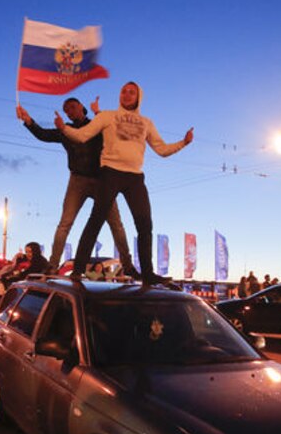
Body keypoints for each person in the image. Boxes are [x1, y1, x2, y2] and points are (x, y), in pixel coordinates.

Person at [55, 81, 193, 285]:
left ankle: (148, 272)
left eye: (131, 92)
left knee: (145, 224)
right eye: (123, 92)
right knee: (96, 220)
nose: (127, 95)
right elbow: (82, 136)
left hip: (135, 177)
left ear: (139, 97)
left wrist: (183, 142)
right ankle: (77, 269)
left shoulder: (146, 122)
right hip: (110, 173)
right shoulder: (107, 116)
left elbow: (161, 150)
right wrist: (64, 128)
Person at [17, 98, 137, 275]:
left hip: (101, 180)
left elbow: (115, 132)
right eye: (66, 110)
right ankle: (53, 264)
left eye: (72, 107)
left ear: (82, 107)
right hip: (77, 181)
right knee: (65, 223)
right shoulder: (65, 130)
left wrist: (98, 113)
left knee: (116, 224)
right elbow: (43, 135)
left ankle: (128, 266)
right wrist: (28, 120)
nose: (69, 111)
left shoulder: (97, 125)